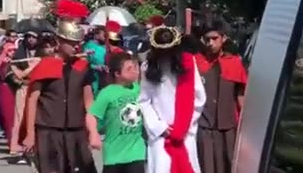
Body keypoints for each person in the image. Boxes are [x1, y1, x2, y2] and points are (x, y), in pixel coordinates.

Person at [20, 0, 96, 173]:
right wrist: (30, 134)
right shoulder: (45, 66)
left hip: (76, 133)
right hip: (49, 134)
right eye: (71, 43)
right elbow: (32, 100)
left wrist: (93, 131)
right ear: (59, 41)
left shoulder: (82, 67)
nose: (76, 47)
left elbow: (89, 103)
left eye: (78, 43)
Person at [139, 26, 206, 173]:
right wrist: (159, 127)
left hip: (185, 133)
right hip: (160, 136)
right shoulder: (147, 67)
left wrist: (183, 125)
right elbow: (144, 101)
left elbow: (199, 98)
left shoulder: (188, 64)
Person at [194, 21, 247, 173]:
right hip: (204, 126)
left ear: (223, 39)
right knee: (206, 166)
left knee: (230, 165)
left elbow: (241, 93)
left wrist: (244, 123)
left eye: (214, 38)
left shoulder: (234, 63)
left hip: (228, 126)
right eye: (207, 39)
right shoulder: (196, 62)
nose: (210, 43)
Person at [87, 53, 146, 173]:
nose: (135, 71)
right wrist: (94, 134)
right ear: (117, 74)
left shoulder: (139, 90)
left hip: (136, 152)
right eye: (129, 69)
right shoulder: (107, 93)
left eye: (135, 67)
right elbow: (91, 115)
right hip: (114, 155)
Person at [9, 30, 39, 157]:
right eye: (29, 36)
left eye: (34, 37)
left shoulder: (41, 54)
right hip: (23, 88)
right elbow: (19, 75)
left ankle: (35, 144)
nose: (31, 39)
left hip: (38, 89)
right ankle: (15, 145)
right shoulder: (18, 56)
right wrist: (31, 67)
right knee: (19, 116)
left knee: (35, 117)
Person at [0, 42, 17, 150]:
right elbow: (2, 75)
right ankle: (12, 144)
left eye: (14, 50)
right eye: (10, 50)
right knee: (8, 117)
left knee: (15, 117)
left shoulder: (17, 61)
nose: (12, 52)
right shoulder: (2, 63)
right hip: (5, 89)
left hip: (15, 90)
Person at [82, 26, 107, 96]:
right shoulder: (87, 46)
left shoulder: (104, 48)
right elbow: (84, 63)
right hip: (91, 78)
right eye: (103, 35)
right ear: (96, 35)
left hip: (102, 79)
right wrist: (96, 67)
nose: (105, 37)